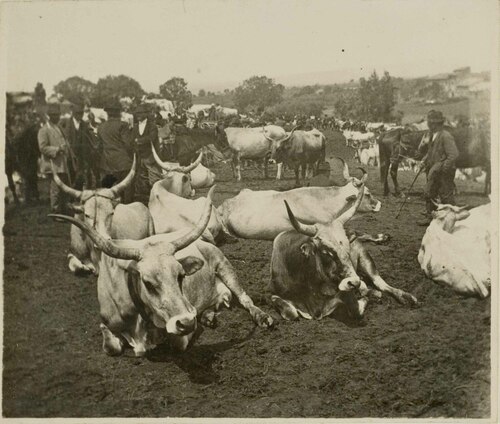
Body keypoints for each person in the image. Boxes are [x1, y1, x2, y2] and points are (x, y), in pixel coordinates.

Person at [417, 110, 459, 226]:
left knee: (446, 196)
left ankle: (453, 219)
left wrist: (444, 168)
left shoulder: (446, 136)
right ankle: (430, 217)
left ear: (436, 124)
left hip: (444, 172)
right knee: (430, 192)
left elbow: (453, 154)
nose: (429, 125)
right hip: (433, 171)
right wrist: (424, 161)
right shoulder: (432, 135)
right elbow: (430, 152)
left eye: (430, 123)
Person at [38, 103, 72, 214]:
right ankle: (55, 212)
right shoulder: (44, 130)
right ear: (49, 116)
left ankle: (64, 210)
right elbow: (42, 148)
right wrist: (57, 149)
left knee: (64, 187)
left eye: (57, 115)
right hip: (53, 164)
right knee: (56, 189)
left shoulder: (58, 127)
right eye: (54, 115)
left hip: (62, 163)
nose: (56, 117)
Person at [98, 99, 134, 203]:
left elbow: (99, 146)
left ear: (107, 112)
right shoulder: (123, 125)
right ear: (119, 112)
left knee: (108, 192)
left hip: (107, 164)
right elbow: (128, 144)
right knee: (126, 192)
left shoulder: (101, 127)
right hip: (123, 163)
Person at [60, 103, 98, 189]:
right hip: (70, 155)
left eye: (81, 113)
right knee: (70, 175)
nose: (80, 115)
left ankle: (79, 194)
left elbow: (88, 139)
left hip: (81, 156)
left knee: (80, 176)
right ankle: (71, 196)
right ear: (73, 113)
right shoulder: (66, 123)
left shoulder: (84, 124)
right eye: (77, 113)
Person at [131, 103, 161, 204]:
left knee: (154, 180)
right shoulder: (135, 127)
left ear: (146, 114)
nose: (138, 115)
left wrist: (138, 141)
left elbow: (151, 138)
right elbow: (132, 139)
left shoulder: (152, 126)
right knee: (142, 181)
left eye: (140, 113)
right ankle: (147, 202)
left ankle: (158, 201)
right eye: (137, 113)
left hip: (151, 158)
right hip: (140, 158)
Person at [15, 112, 41, 205]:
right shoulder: (21, 133)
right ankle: (28, 198)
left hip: (31, 156)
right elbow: (17, 145)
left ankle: (34, 196)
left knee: (33, 176)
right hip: (24, 157)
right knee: (27, 177)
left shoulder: (31, 132)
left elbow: (35, 144)